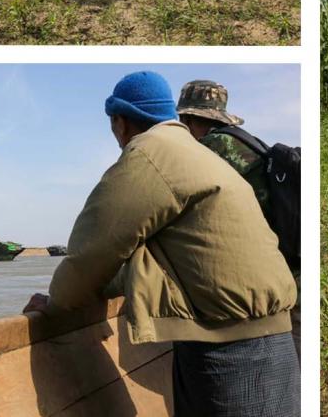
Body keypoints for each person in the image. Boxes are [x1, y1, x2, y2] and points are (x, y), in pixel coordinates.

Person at [24, 71, 299, 417]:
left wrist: (56, 304)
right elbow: (167, 265)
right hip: (268, 340)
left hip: (232, 350)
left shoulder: (150, 154)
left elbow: (90, 253)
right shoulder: (199, 155)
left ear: (119, 123)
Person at [176, 79, 302, 359]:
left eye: (183, 120)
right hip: (291, 263)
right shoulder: (249, 141)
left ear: (188, 118)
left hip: (278, 272)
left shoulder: (211, 148)